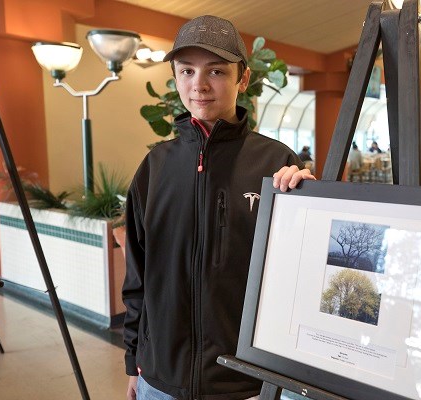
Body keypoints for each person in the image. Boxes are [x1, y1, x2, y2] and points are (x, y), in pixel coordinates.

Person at [123, 15, 314, 400]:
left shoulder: (276, 164)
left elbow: (301, 277)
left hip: (245, 383)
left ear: (242, 79)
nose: (199, 85)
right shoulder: (154, 167)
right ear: (176, 77)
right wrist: (133, 362)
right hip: (160, 378)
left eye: (216, 71)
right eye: (187, 71)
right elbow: (138, 276)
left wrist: (310, 208)